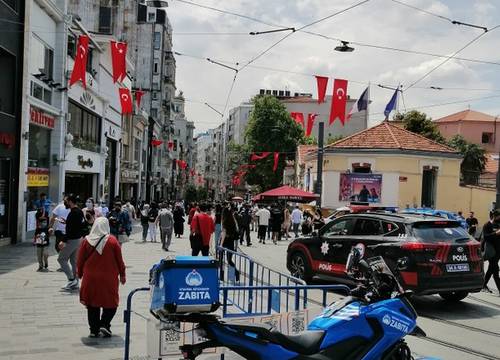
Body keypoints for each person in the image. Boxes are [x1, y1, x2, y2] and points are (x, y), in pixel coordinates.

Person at [76, 217, 126, 338]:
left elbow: (80, 260)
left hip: (90, 277)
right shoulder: (112, 241)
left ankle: (94, 330)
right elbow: (120, 261)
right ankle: (104, 323)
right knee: (111, 302)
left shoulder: (86, 241)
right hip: (108, 277)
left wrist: (79, 273)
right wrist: (123, 274)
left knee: (92, 304)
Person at [56, 195, 85, 291]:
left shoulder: (73, 213)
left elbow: (71, 229)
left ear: (70, 201)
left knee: (61, 259)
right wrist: (67, 222)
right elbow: (77, 225)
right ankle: (75, 282)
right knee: (73, 261)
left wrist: (63, 240)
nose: (65, 203)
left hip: (72, 239)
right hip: (78, 239)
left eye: (66, 201)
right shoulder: (79, 211)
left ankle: (71, 279)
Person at [482, 209, 500, 294]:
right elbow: (486, 237)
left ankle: (483, 285)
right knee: (495, 270)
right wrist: (496, 233)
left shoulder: (499, 224)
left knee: (491, 269)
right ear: (495, 216)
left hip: (498, 251)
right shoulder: (487, 225)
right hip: (491, 251)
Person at [220, 207, 240, 281]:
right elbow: (237, 232)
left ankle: (221, 276)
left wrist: (221, 244)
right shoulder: (233, 221)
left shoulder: (224, 221)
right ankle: (236, 272)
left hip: (224, 241)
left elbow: (224, 233)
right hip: (231, 241)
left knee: (221, 260)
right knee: (229, 260)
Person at [34, 205, 50, 272]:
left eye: (45, 222)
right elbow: (36, 235)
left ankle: (46, 263)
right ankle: (40, 266)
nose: (44, 223)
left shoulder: (47, 228)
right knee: (39, 255)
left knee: (45, 254)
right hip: (39, 243)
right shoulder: (38, 228)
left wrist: (50, 231)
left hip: (46, 243)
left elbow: (50, 232)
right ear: (40, 223)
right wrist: (36, 239)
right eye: (43, 222)